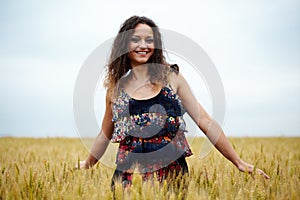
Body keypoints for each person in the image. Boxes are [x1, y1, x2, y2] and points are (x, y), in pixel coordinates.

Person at [78, 15, 269, 190]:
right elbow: (104, 135)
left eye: (149, 39)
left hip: (171, 176)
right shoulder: (115, 89)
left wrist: (238, 162)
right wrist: (87, 163)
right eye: (135, 39)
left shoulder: (172, 78)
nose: (143, 45)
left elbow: (205, 121)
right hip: (128, 179)